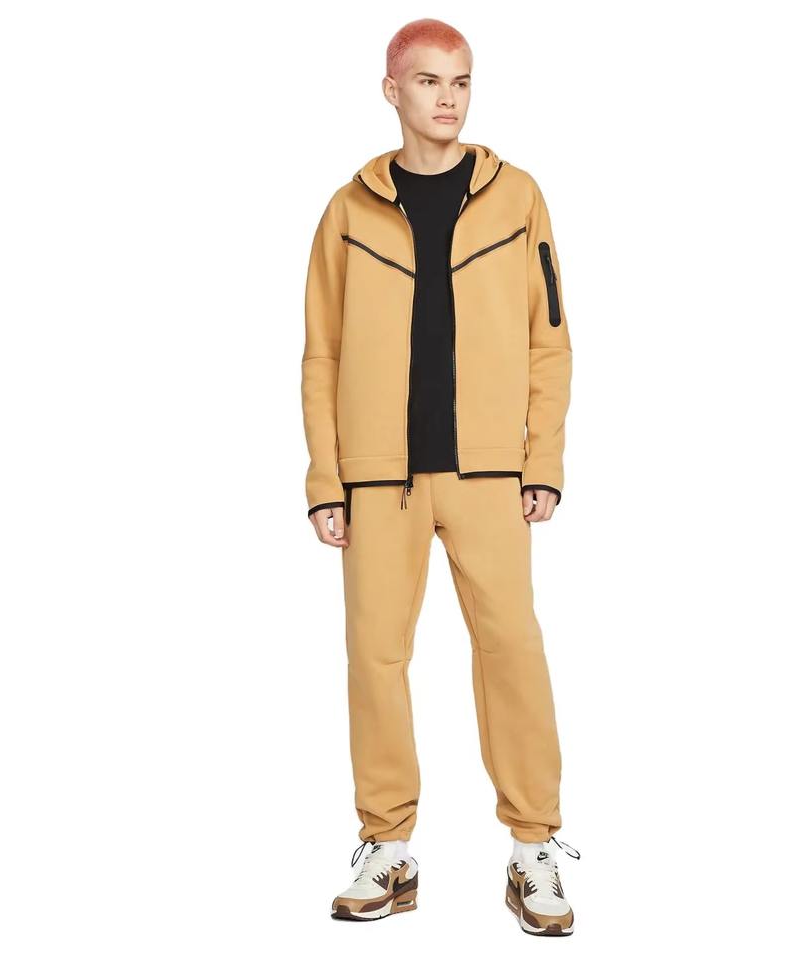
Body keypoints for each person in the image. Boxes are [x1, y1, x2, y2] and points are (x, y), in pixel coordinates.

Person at [301, 18, 580, 936]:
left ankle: (534, 846)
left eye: (460, 80)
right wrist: (326, 479)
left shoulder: (518, 198)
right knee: (376, 661)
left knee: (512, 651)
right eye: (428, 81)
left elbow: (549, 339)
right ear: (392, 90)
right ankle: (387, 848)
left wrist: (543, 461)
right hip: (377, 479)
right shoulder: (347, 212)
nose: (448, 98)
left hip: (491, 473)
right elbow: (321, 353)